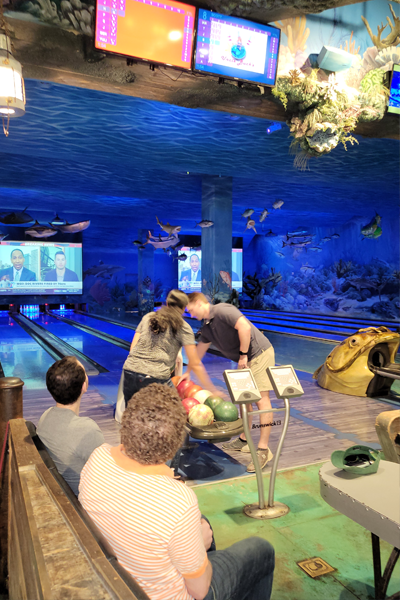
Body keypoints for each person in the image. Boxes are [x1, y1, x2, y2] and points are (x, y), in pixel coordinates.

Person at [79, 383, 275, 600]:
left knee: (202, 521)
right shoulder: (178, 501)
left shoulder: (98, 457)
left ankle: (197, 560)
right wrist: (200, 546)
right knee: (261, 549)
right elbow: (200, 591)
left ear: (126, 424)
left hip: (118, 578)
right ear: (174, 445)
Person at [187, 292, 275, 473]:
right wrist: (187, 372)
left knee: (261, 400)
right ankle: (244, 439)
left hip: (258, 354)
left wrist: (243, 355)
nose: (190, 314)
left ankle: (264, 449)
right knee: (245, 400)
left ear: (198, 302)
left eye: (191, 309)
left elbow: (245, 327)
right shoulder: (207, 326)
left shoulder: (221, 310)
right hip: (244, 359)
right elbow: (199, 352)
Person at [122, 289, 219, 406]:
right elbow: (195, 363)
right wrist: (212, 390)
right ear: (184, 308)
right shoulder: (183, 327)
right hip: (156, 377)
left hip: (129, 372)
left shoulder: (148, 317)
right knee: (172, 415)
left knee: (134, 416)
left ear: (167, 303)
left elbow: (133, 347)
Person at [37, 356, 105, 495]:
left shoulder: (46, 415)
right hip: (84, 500)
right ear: (84, 386)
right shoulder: (87, 429)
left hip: (64, 493)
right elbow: (108, 472)